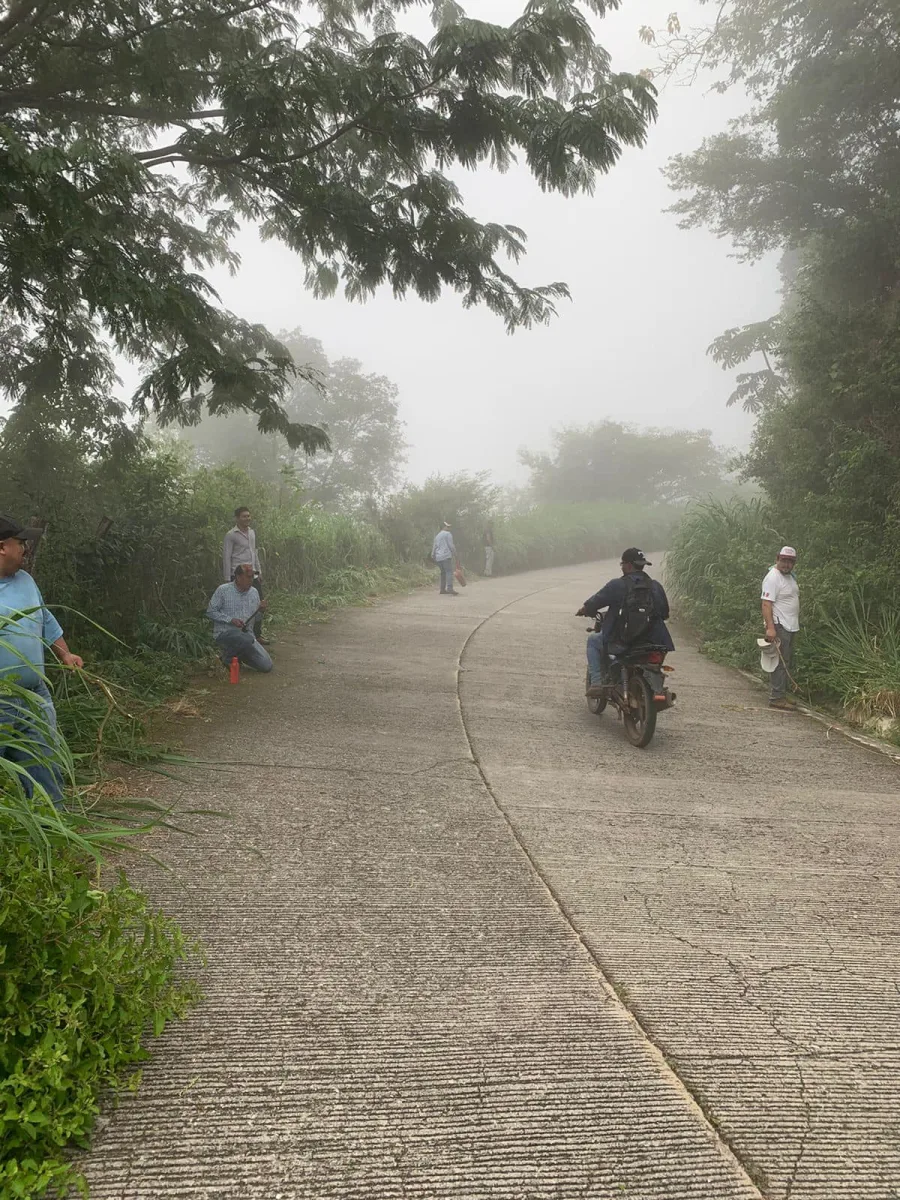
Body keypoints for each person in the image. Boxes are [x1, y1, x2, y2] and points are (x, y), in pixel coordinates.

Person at [0, 515, 83, 804]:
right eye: (21, 543)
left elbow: (44, 618)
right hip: (2, 698)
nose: (26, 549)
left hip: (35, 694)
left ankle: (53, 831)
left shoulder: (25, 580)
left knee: (45, 763)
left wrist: (65, 653)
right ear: (2, 547)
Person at [576, 548, 674, 698]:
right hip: (656, 641)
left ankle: (596, 683)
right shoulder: (655, 586)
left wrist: (585, 609)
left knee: (593, 641)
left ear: (628, 565)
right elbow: (665, 613)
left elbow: (596, 601)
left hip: (624, 640)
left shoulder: (617, 585)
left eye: (622, 564)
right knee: (654, 664)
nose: (622, 567)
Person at [206, 564, 273, 672]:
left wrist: (261, 610)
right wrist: (231, 620)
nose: (251, 580)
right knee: (245, 639)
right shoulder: (223, 590)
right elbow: (210, 612)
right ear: (238, 577)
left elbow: (257, 619)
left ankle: (237, 656)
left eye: (252, 577)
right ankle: (226, 658)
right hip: (225, 634)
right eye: (248, 577)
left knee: (266, 665)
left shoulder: (254, 592)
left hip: (247, 636)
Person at [761, 545, 799, 710]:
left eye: (790, 562)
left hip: (790, 625)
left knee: (786, 661)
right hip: (779, 625)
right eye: (784, 560)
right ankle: (776, 697)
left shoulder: (790, 577)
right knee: (779, 661)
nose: (786, 564)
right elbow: (766, 604)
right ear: (777, 559)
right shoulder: (773, 577)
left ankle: (781, 693)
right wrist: (770, 628)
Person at [223, 507, 268, 644]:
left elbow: (254, 553)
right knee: (239, 606)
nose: (247, 518)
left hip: (252, 574)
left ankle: (257, 635)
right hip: (238, 576)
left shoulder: (252, 533)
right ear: (237, 518)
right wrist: (227, 579)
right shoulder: (231, 535)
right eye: (244, 516)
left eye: (248, 516)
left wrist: (258, 571)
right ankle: (240, 635)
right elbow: (226, 556)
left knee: (259, 604)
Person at [432, 521, 458, 596]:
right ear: (443, 527)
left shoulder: (437, 536)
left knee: (443, 573)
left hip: (438, 557)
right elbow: (451, 545)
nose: (449, 528)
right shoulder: (448, 534)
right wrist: (455, 554)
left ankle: (442, 589)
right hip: (446, 556)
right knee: (449, 572)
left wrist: (433, 555)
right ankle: (450, 588)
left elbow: (434, 547)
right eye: (447, 526)